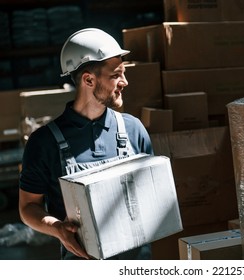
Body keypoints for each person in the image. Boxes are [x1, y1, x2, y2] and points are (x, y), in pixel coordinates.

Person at [18, 28, 153, 260]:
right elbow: (28, 207)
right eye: (116, 75)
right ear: (88, 79)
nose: (125, 82)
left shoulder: (133, 129)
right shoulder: (44, 143)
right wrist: (57, 227)